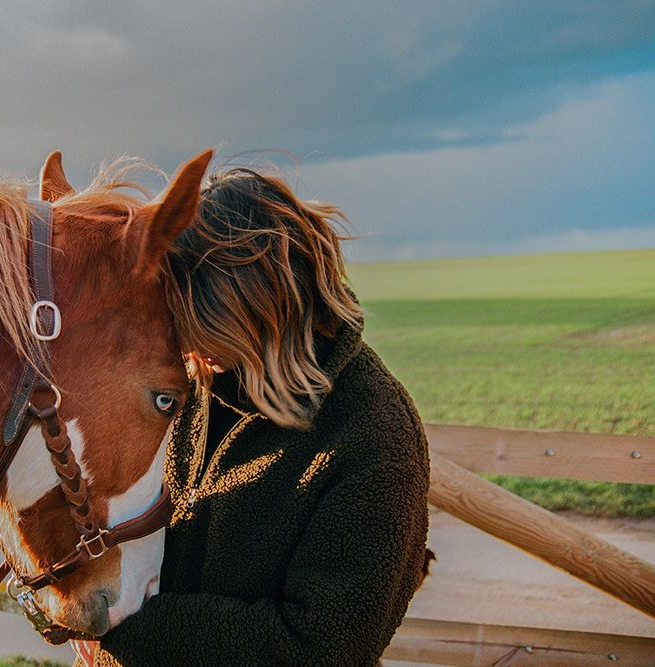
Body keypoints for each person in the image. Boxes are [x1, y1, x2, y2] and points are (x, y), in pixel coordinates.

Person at [74, 167, 430, 666]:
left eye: (198, 318)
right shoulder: (193, 384)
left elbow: (318, 649)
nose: (187, 343)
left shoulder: (375, 437)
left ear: (262, 304)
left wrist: (119, 623)